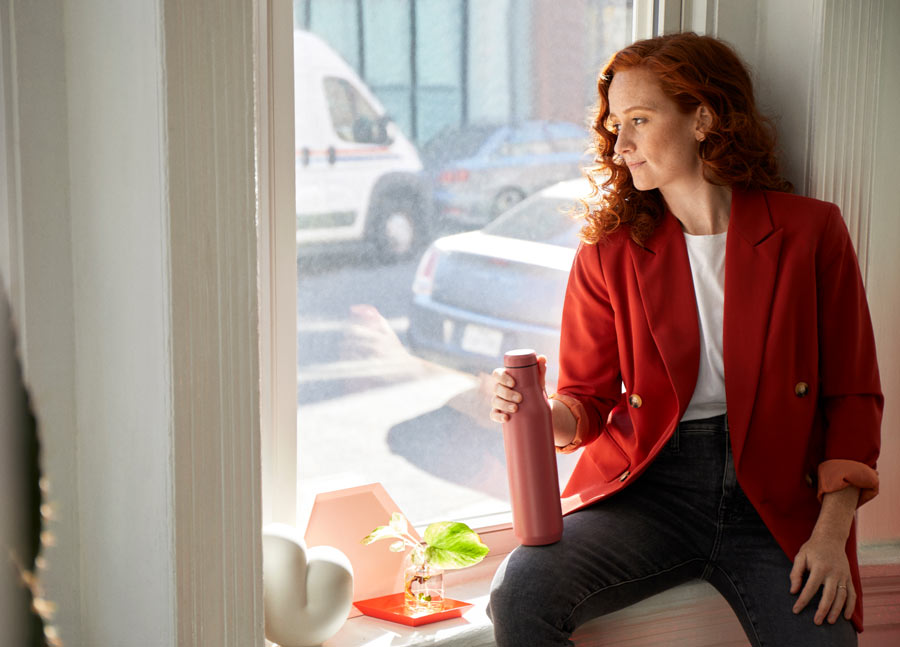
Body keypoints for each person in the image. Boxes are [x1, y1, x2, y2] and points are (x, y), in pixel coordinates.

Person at [487, 32, 882, 647]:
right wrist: (536, 413)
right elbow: (584, 405)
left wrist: (830, 536)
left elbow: (854, 399)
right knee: (522, 592)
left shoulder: (811, 232)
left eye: (639, 120)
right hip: (651, 491)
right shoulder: (607, 254)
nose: (621, 146)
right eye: (615, 125)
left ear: (703, 118)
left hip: (776, 498)